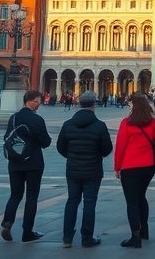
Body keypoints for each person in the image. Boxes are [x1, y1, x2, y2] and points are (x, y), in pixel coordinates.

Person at [57, 91, 112, 248]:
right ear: (93, 104)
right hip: (93, 170)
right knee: (89, 203)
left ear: (79, 104)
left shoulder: (67, 124)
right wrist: (96, 155)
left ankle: (67, 238)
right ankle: (87, 238)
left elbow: (60, 147)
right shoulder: (100, 125)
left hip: (73, 170)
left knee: (72, 202)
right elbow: (107, 149)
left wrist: (71, 156)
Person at [114, 93, 155, 249]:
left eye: (131, 104)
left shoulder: (126, 123)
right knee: (141, 197)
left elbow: (121, 147)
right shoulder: (152, 122)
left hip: (130, 167)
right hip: (148, 167)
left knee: (132, 202)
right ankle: (145, 230)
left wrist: (117, 167)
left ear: (134, 106)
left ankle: (135, 237)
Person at [1, 90, 51, 243]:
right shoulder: (36, 119)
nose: (39, 104)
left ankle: (7, 223)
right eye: (38, 101)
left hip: (15, 162)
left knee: (15, 194)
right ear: (32, 101)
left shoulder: (14, 118)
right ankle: (27, 232)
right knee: (31, 197)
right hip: (33, 163)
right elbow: (46, 142)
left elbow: (7, 137)